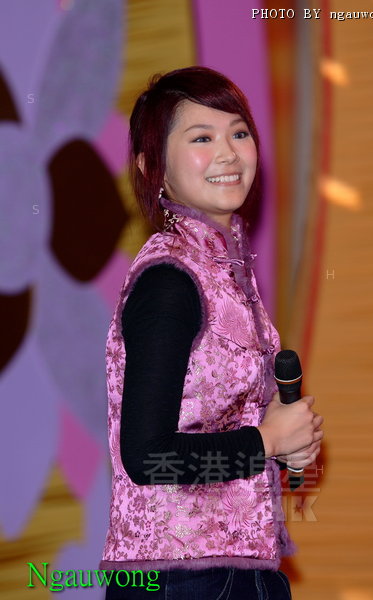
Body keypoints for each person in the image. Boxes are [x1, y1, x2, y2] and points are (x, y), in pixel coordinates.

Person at [100, 66, 323, 599]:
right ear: (152, 166)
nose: (228, 153)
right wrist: (267, 440)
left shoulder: (220, 268)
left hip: (239, 571)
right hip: (179, 578)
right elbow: (147, 455)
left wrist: (282, 442)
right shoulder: (170, 280)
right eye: (201, 138)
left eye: (239, 132)